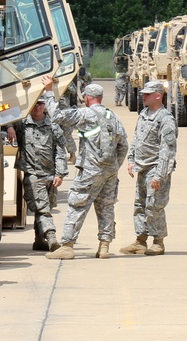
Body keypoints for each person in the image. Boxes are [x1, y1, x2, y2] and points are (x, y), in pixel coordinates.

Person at [40, 75, 128, 260]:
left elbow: (56, 116)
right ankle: (104, 246)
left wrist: (49, 91)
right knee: (106, 206)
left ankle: (68, 245)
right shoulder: (113, 116)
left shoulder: (85, 114)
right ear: (101, 98)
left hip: (89, 170)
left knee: (77, 204)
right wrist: (114, 166)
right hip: (110, 171)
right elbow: (123, 145)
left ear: (87, 97)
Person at [119, 80, 178, 257]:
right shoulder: (144, 114)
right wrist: (131, 160)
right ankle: (140, 240)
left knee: (154, 206)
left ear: (158, 96)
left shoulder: (165, 119)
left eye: (147, 94)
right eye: (143, 94)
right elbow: (137, 138)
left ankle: (158, 241)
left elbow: (167, 150)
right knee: (140, 205)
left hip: (156, 168)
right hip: (142, 167)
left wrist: (159, 176)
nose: (143, 96)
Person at [7, 100, 68, 251]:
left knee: (44, 207)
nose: (37, 107)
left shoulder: (53, 126)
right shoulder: (22, 124)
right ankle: (51, 237)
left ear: (45, 106)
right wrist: (9, 127)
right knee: (43, 209)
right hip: (33, 174)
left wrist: (60, 174)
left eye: (40, 104)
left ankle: (39, 240)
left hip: (51, 175)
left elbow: (60, 152)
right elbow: (4, 115)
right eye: (35, 104)